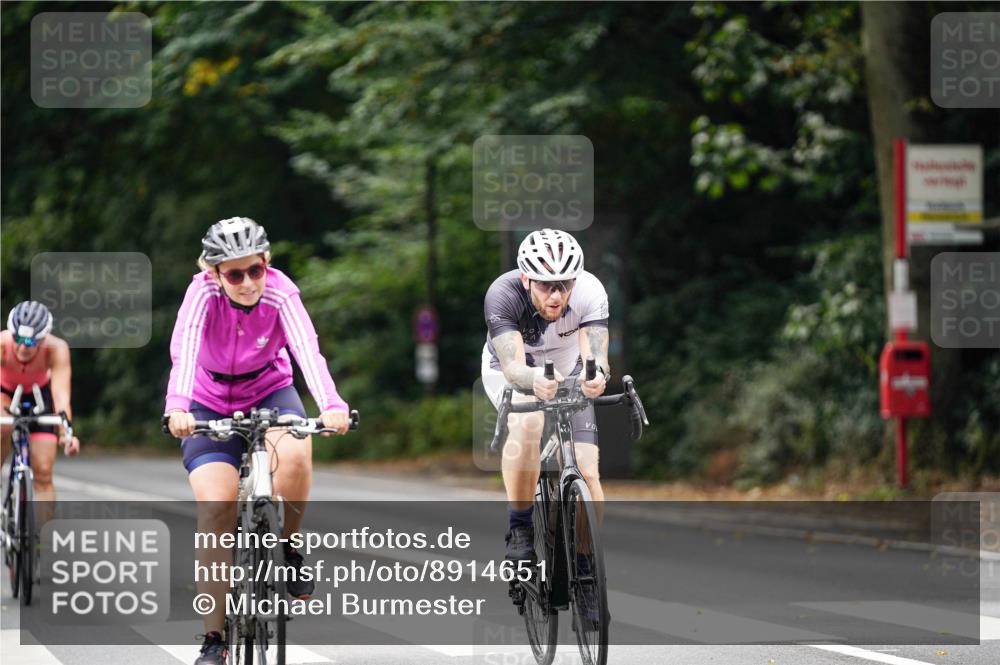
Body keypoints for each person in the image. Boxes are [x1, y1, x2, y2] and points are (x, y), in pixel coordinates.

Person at [164, 217, 350, 665]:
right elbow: (184, 349)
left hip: (270, 390)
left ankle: (286, 546)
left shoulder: (280, 291)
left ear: (266, 263)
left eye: (255, 270)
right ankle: (213, 639)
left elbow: (308, 350)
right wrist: (178, 407)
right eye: (234, 273)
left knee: (299, 455)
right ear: (214, 273)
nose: (247, 282)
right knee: (216, 508)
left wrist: (332, 403)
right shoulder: (201, 294)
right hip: (207, 402)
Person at [481, 228, 610, 564]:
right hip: (514, 372)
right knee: (528, 424)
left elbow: (596, 356)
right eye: (544, 285)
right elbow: (512, 367)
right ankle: (520, 526)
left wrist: (596, 375)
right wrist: (533, 378)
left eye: (565, 284)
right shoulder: (502, 294)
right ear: (525, 279)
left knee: (588, 471)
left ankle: (585, 569)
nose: (556, 295)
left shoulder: (590, 290)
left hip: (567, 373)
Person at [1, 301, 80, 510]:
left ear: (43, 339)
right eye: (18, 338)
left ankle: (43, 539)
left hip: (39, 397)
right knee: (4, 424)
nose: (23, 347)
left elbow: (61, 395)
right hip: (5, 393)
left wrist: (66, 433)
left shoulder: (57, 349)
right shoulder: (2, 344)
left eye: (31, 341)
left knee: (44, 472)